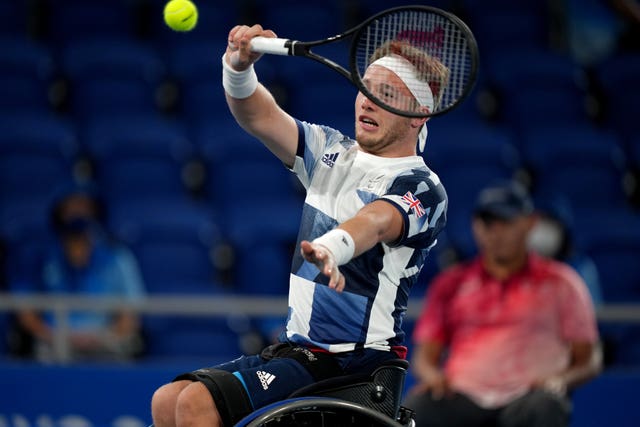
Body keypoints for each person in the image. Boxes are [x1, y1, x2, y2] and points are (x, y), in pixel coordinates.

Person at [151, 24, 449, 427]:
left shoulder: (422, 186)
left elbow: (376, 221)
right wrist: (238, 68)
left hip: (355, 364)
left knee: (195, 405)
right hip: (301, 352)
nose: (367, 102)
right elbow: (258, 115)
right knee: (168, 400)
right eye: (365, 88)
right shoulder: (330, 151)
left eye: (388, 95)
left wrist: (335, 246)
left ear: (419, 115)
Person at [402, 181, 602, 427]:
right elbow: (425, 355)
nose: (495, 233)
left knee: (547, 406)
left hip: (530, 396)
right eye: (487, 224)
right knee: (417, 407)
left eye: (506, 222)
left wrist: (560, 380)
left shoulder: (562, 283)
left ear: (530, 224)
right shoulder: (450, 284)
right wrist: (432, 376)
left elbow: (590, 359)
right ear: (476, 227)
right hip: (463, 395)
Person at [11, 183, 146, 362]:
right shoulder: (40, 258)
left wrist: (106, 337)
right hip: (52, 342)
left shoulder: (117, 257)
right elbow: (25, 312)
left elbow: (131, 315)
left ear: (95, 213)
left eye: (84, 207)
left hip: (104, 343)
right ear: (59, 212)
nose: (78, 214)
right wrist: (52, 336)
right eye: (71, 207)